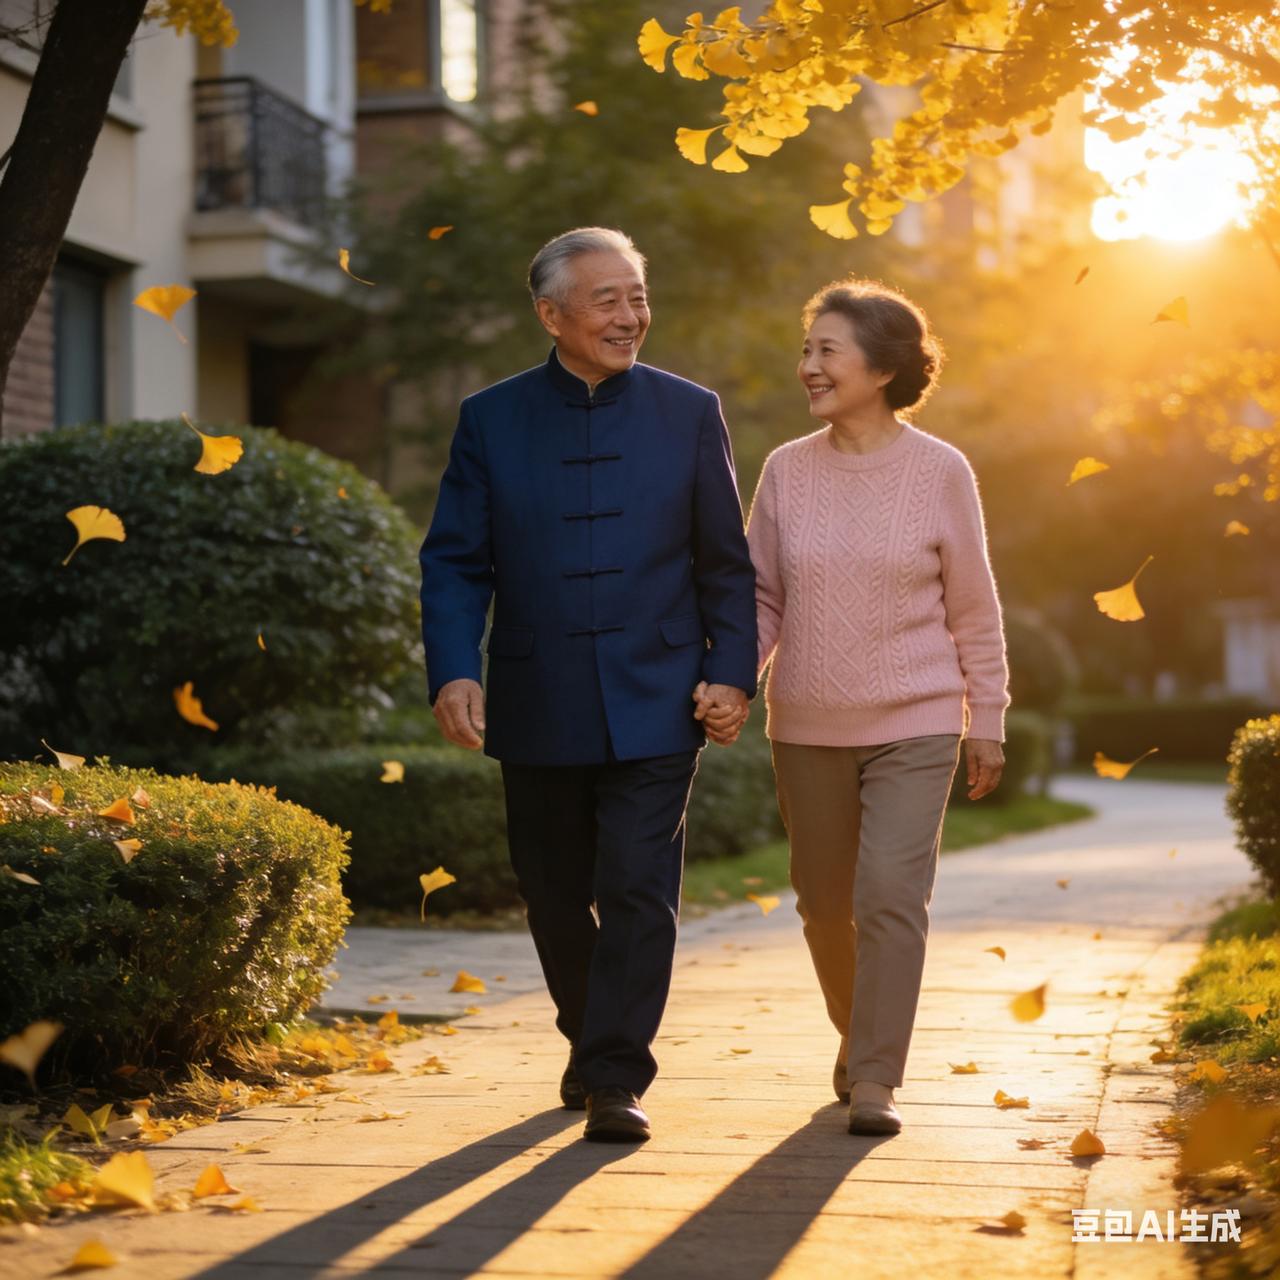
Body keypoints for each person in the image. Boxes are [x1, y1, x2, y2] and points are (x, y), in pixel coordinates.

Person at [419, 227, 757, 1143]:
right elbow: (455, 562)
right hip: (537, 696)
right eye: (607, 299)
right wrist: (454, 667)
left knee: (641, 887)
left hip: (659, 694)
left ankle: (615, 1075)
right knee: (553, 889)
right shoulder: (491, 418)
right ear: (552, 314)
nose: (630, 315)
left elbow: (726, 564)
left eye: (638, 296)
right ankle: (590, 1038)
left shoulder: (691, 412)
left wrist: (732, 672)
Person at [699, 277, 1009, 1136]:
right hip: (807, 721)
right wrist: (735, 677)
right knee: (823, 903)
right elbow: (760, 597)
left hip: (916, 717)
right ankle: (859, 1033)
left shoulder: (942, 471)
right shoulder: (787, 471)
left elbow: (973, 609)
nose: (809, 366)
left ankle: (875, 1076)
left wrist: (987, 717)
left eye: (826, 350)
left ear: (882, 365)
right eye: (808, 350)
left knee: (888, 895)